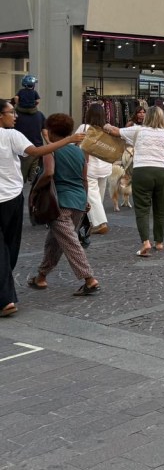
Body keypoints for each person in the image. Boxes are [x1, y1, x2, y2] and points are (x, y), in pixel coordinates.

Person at [1, 101, 86, 317]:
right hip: (14, 197)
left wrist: (36, 190)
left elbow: (46, 166)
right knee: (13, 247)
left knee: (8, 248)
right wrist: (70, 140)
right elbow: (37, 152)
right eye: (11, 112)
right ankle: (9, 295)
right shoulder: (12, 136)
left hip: (22, 198)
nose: (15, 116)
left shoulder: (13, 135)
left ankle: (6, 293)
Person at [25, 113, 100, 298]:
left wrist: (35, 189)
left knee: (69, 241)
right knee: (55, 240)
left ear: (50, 132)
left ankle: (89, 279)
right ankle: (41, 276)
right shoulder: (79, 151)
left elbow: (49, 173)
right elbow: (84, 179)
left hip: (59, 203)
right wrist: (86, 200)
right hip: (78, 202)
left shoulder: (50, 150)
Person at [105, 106, 164, 257]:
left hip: (142, 171)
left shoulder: (137, 130)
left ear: (147, 117)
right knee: (160, 208)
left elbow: (115, 131)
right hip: (163, 172)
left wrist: (105, 124)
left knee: (142, 209)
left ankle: (145, 242)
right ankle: (159, 242)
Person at [75, 103, 112, 236]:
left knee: (93, 195)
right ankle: (93, 219)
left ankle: (99, 223)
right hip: (106, 166)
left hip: (90, 167)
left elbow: (75, 142)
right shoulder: (108, 129)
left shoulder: (84, 127)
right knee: (99, 195)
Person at [12, 101, 46, 185]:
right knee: (34, 179)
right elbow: (45, 133)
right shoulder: (40, 115)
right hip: (37, 147)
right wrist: (50, 144)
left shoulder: (15, 116)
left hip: (20, 150)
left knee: (19, 178)